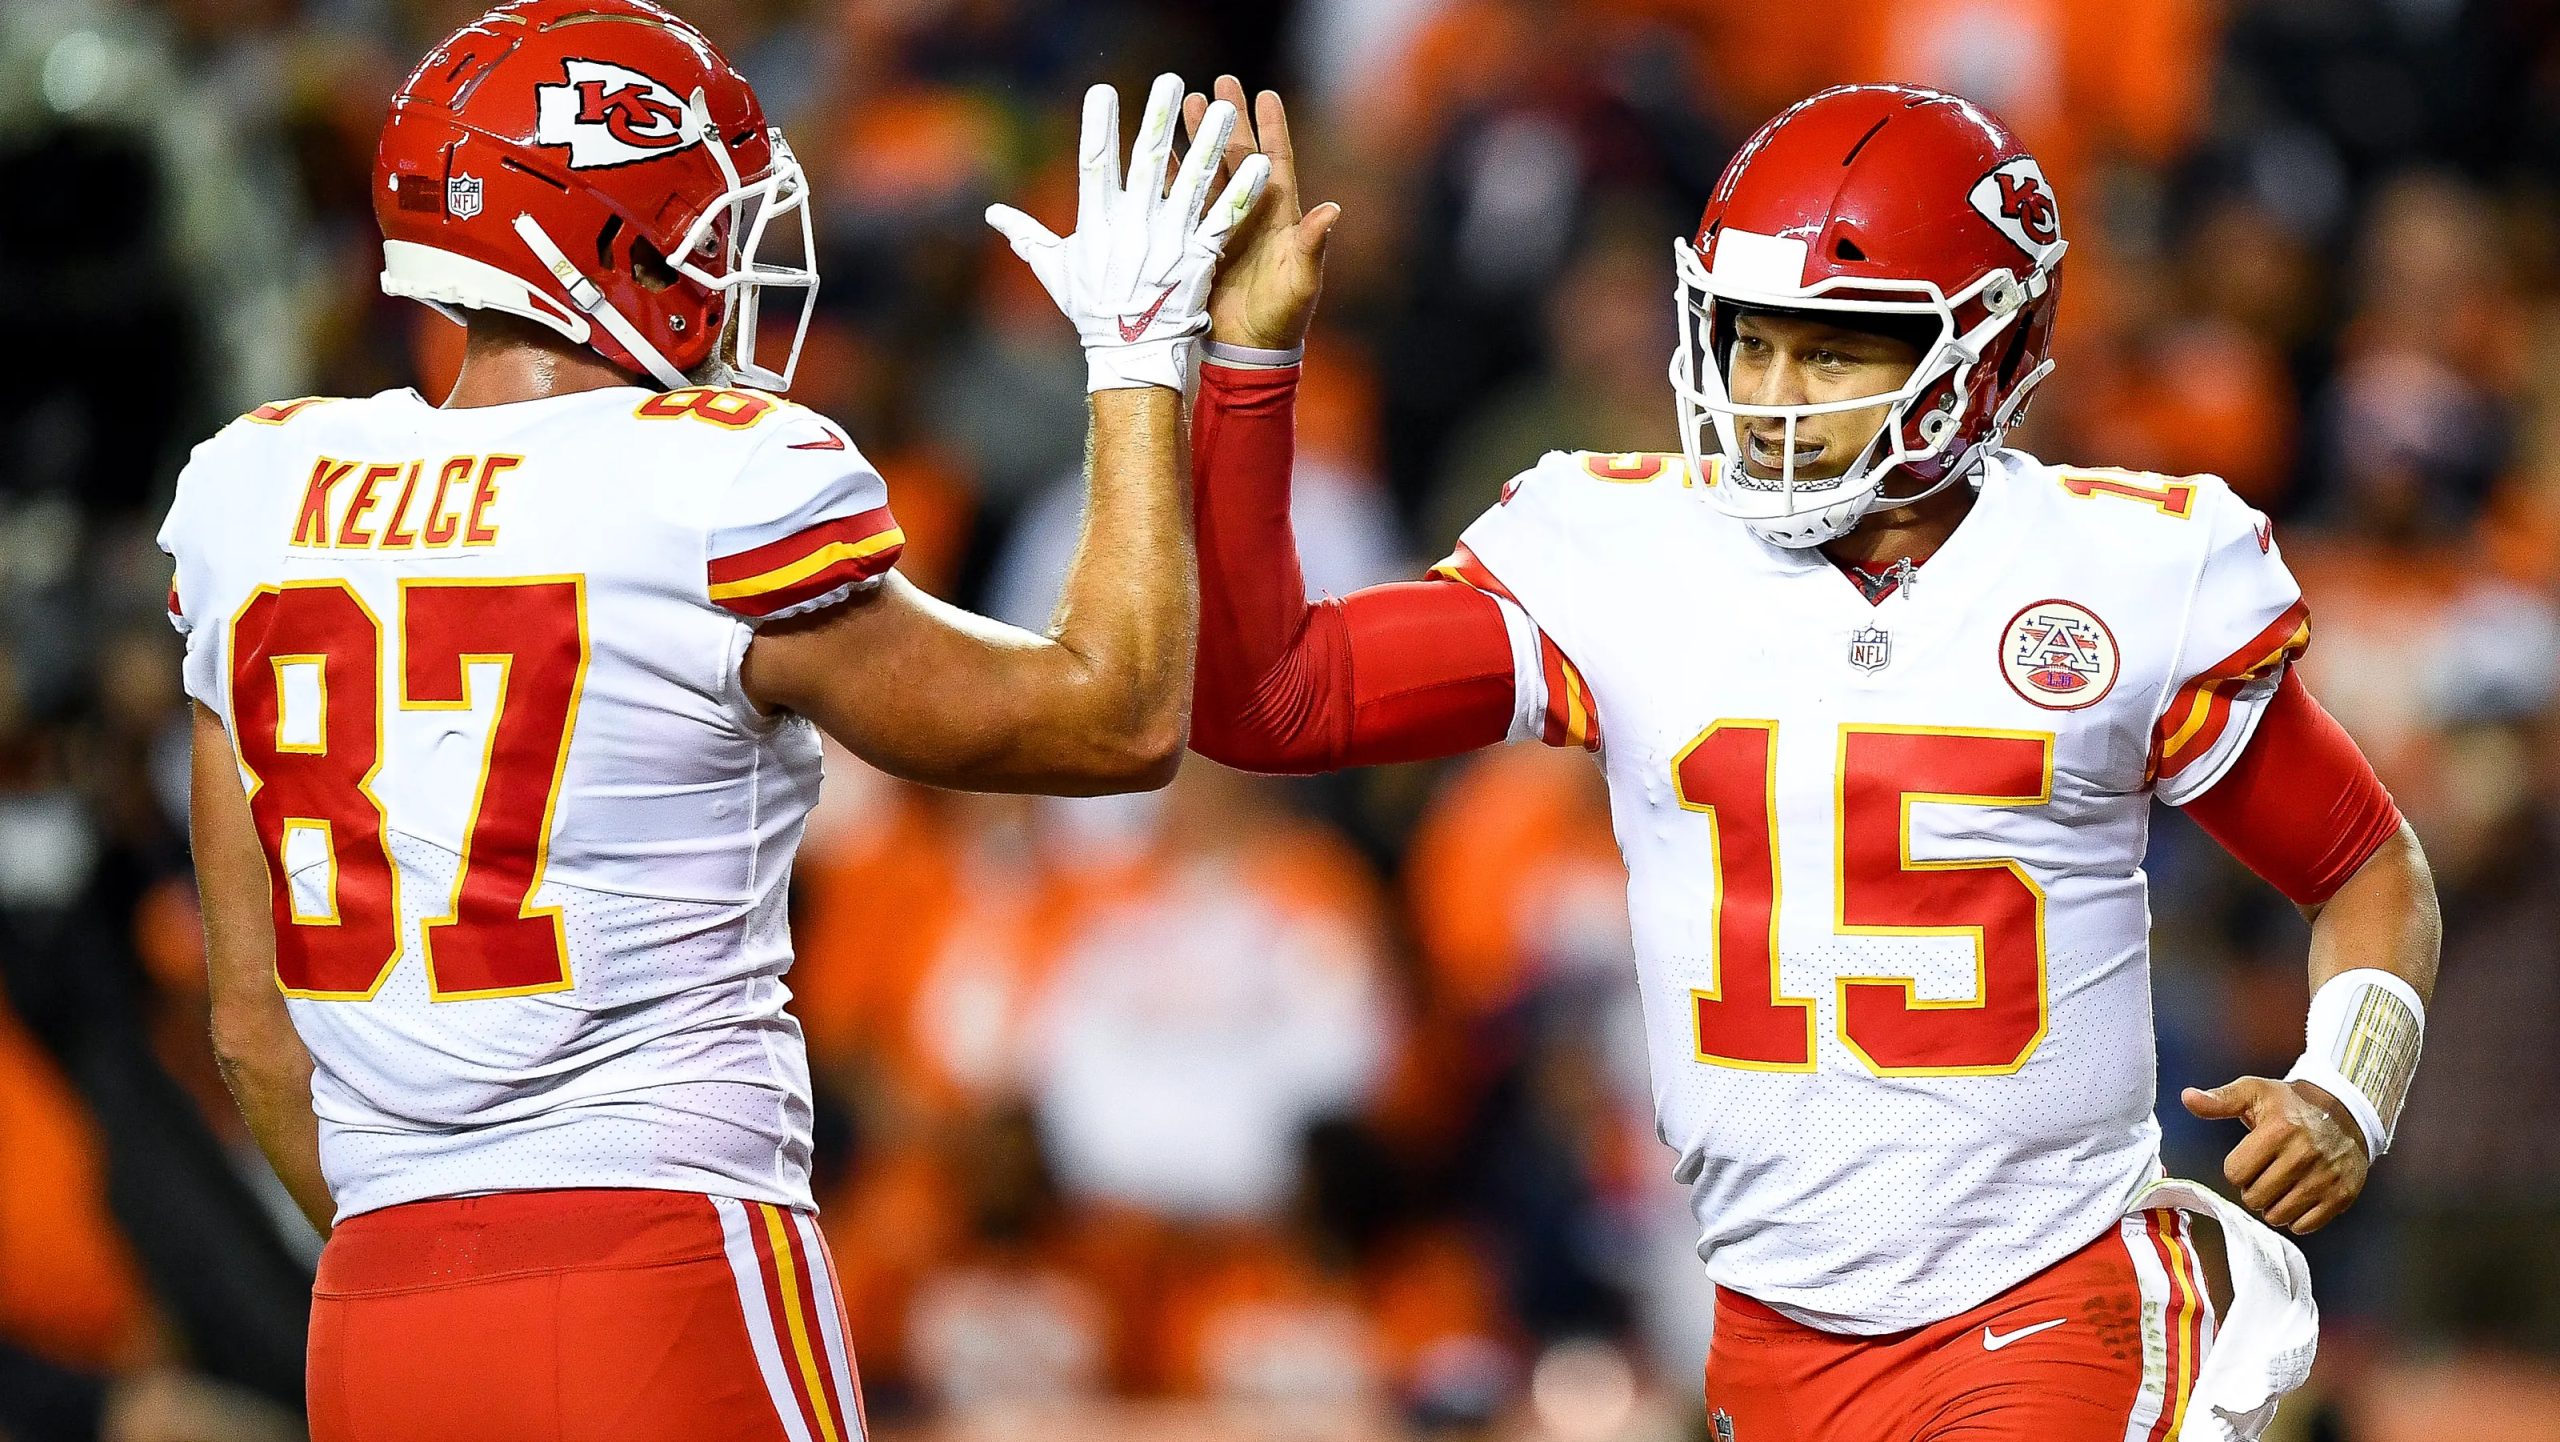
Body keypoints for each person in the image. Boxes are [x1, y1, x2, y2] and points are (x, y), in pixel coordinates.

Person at [1181, 79, 2442, 1440]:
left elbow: (2370, 867)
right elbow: (1274, 700)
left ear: (1988, 353)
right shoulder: (1625, 553)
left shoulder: (2123, 574)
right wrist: (1249, 370)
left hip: (2046, 1302)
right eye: (1748, 339)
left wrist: (2346, 1084)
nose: (1770, 396)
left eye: (1834, 350)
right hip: (1763, 1326)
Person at [160, 1, 1267, 1436]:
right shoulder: (701, 485)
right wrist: (1138, 363)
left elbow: (255, 1027)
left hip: (380, 1309)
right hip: (661, 1272)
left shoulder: (257, 496)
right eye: (707, 218)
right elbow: (1115, 719)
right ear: (600, 238)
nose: (733, 262)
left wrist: (449, 1247)